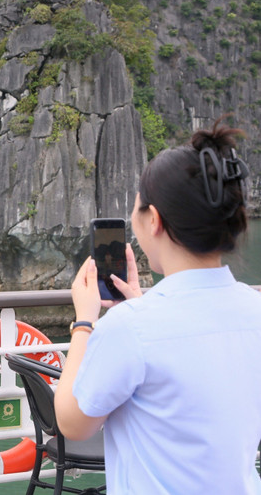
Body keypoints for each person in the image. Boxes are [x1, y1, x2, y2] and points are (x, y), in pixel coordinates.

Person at [55, 117, 261, 493]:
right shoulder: (255, 311)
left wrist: (84, 321)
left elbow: (73, 423)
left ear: (155, 222)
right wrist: (139, 306)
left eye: (137, 209)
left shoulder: (133, 329)